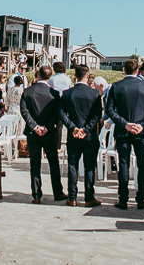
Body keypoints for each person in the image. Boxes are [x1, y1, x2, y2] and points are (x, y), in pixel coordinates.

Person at [106, 59, 144, 210]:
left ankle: (123, 199)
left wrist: (125, 124)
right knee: (142, 165)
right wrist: (142, 125)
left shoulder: (116, 87)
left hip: (123, 131)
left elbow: (110, 110)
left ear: (124, 70)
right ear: (137, 71)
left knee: (123, 164)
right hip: (141, 132)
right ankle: (141, 198)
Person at [20, 65, 67, 204]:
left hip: (33, 132)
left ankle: (36, 194)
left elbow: (24, 111)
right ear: (49, 77)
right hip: (49, 132)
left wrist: (34, 126)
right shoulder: (54, 94)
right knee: (53, 163)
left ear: (38, 75)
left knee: (34, 164)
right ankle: (57, 192)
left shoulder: (27, 92)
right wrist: (46, 126)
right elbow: (57, 114)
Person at [59, 64, 104, 207]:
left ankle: (72, 197)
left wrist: (73, 127)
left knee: (73, 165)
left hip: (73, 135)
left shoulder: (67, 94)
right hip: (89, 136)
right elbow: (97, 114)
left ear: (75, 76)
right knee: (89, 166)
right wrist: (86, 129)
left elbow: (61, 113)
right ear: (88, 76)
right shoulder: (94, 94)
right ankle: (89, 197)